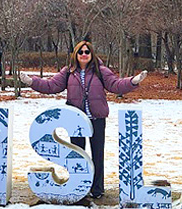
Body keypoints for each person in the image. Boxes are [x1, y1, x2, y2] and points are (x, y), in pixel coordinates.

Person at [20, 40, 147, 199]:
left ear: (91, 54)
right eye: (81, 52)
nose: (84, 55)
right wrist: (32, 82)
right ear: (76, 54)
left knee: (97, 153)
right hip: (76, 121)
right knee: (77, 156)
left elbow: (116, 85)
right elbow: (51, 86)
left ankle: (97, 189)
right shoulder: (68, 72)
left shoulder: (101, 71)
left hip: (96, 118)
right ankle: (79, 187)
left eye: (87, 52)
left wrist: (133, 81)